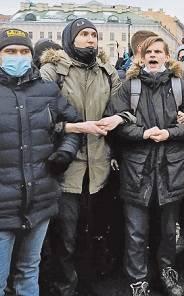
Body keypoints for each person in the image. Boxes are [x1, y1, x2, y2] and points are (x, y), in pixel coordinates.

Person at [107, 36, 184, 295]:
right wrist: (143, 133)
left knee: (167, 231)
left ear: (166, 56)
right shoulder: (129, 88)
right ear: (140, 56)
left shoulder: (180, 86)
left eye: (158, 51)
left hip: (172, 170)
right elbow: (115, 124)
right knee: (136, 232)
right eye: (148, 51)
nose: (153, 55)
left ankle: (167, 272)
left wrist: (172, 132)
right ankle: (138, 280)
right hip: (136, 170)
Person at [39, 18, 129, 295]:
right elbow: (41, 120)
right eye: (84, 34)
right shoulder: (52, 72)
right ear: (70, 38)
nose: (91, 39)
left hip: (100, 165)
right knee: (65, 237)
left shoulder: (107, 71)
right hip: (66, 167)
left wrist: (119, 119)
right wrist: (75, 127)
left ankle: (88, 284)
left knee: (92, 232)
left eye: (94, 34)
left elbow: (122, 107)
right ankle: (65, 286)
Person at [0, 28, 81, 295]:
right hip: (2, 206)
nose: (18, 57)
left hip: (40, 199)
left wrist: (65, 153)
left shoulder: (47, 90)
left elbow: (74, 124)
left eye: (24, 51)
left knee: (28, 271)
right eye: (10, 52)